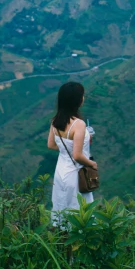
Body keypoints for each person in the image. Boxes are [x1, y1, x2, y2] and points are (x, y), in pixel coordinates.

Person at [47, 81, 98, 225]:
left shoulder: (55, 120)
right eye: (82, 96)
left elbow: (51, 145)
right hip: (76, 174)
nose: (84, 98)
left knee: (61, 207)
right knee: (79, 211)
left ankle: (60, 238)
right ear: (77, 100)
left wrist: (70, 146)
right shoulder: (79, 124)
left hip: (61, 172)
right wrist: (92, 164)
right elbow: (77, 155)